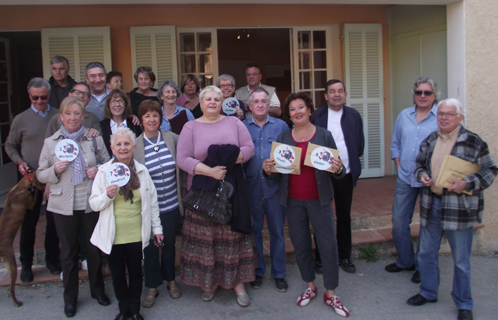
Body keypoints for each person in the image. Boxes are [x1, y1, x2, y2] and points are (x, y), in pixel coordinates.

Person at [406, 98, 497, 320]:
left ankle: (464, 303)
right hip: (432, 204)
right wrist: (422, 175)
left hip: (458, 208)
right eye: (441, 114)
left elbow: (490, 171)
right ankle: (428, 292)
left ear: (460, 118)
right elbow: (419, 165)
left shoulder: (474, 142)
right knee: (426, 253)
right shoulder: (430, 139)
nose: (444, 118)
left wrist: (467, 184)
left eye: (449, 114)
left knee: (461, 261)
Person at [263, 92, 349, 317]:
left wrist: (339, 168)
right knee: (300, 245)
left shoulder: (324, 135)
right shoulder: (283, 138)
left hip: (319, 200)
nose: (297, 112)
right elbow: (276, 176)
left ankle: (330, 293)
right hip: (293, 202)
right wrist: (268, 170)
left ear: (310, 110)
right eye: (292, 109)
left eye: (301, 107)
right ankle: (310, 286)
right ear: (288, 115)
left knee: (328, 245)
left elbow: (337, 171)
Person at [177, 86, 256, 307]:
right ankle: (208, 283)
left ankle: (237, 284)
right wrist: (209, 171)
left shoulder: (234, 123)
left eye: (216, 99)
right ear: (200, 103)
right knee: (206, 243)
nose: (212, 102)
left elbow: (249, 148)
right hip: (203, 194)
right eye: (207, 99)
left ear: (222, 102)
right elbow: (182, 158)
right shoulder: (190, 126)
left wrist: (228, 159)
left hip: (232, 192)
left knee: (232, 241)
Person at [37, 96, 111, 318]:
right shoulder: (51, 142)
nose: (72, 117)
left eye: (76, 113)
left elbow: (108, 163)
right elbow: (40, 174)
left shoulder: (93, 139)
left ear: (82, 116)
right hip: (62, 205)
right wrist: (54, 171)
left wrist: (98, 169)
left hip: (89, 203)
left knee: (93, 249)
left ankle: (98, 290)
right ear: (61, 116)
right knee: (68, 253)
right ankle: (70, 299)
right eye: (68, 113)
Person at [89, 127, 163, 320]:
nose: (123, 148)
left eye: (127, 144)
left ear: (134, 147)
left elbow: (152, 203)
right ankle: (123, 310)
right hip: (113, 234)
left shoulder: (142, 170)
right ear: (112, 148)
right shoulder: (104, 172)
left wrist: (157, 229)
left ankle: (135, 309)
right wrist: (107, 195)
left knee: (137, 273)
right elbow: (94, 204)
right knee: (118, 275)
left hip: (136, 233)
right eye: (119, 144)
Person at [4, 77, 61, 283]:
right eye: (35, 97)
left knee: (54, 222)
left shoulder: (57, 115)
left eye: (43, 97)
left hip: (54, 177)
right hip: (31, 179)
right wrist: (19, 161)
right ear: (29, 96)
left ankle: (52, 260)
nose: (39, 101)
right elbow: (10, 145)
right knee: (30, 223)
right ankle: (26, 265)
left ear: (48, 95)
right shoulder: (21, 119)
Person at [386, 77, 440, 283]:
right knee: (399, 223)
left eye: (427, 92)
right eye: (419, 92)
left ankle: (423, 265)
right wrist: (399, 167)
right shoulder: (404, 116)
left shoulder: (439, 117)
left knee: (428, 225)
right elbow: (396, 144)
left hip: (430, 181)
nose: (423, 96)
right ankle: (406, 261)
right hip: (405, 178)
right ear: (414, 94)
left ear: (434, 96)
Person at [134, 100, 185, 308]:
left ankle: (171, 280)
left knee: (170, 246)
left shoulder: (172, 139)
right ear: (141, 120)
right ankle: (152, 285)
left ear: (160, 118)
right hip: (149, 210)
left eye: (155, 115)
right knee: (151, 248)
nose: (151, 119)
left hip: (172, 205)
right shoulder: (135, 145)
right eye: (147, 116)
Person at [312, 79, 364, 274]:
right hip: (322, 176)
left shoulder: (353, 115)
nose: (336, 94)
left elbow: (359, 145)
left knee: (343, 217)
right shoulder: (317, 116)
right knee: (321, 218)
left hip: (345, 174)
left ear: (345, 94)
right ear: (325, 96)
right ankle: (321, 258)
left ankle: (344, 256)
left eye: (340, 91)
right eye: (332, 91)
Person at [243, 87, 288, 292]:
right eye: (256, 101)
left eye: (264, 101)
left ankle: (279, 273)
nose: (260, 105)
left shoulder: (281, 126)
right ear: (250, 106)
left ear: (268, 105)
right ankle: (258, 270)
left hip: (275, 189)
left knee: (277, 232)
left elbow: (289, 159)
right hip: (251, 189)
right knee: (255, 233)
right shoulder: (242, 127)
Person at [100, 89, 142, 156]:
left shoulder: (134, 124)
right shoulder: (101, 126)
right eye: (113, 101)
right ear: (108, 105)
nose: (117, 104)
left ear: (125, 104)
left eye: (120, 101)